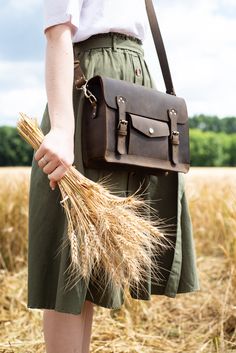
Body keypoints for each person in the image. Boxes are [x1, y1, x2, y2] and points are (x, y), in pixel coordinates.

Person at [28, 1, 200, 352]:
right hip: (90, 89)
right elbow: (58, 28)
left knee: (91, 266)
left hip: (134, 85)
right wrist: (62, 127)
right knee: (72, 262)